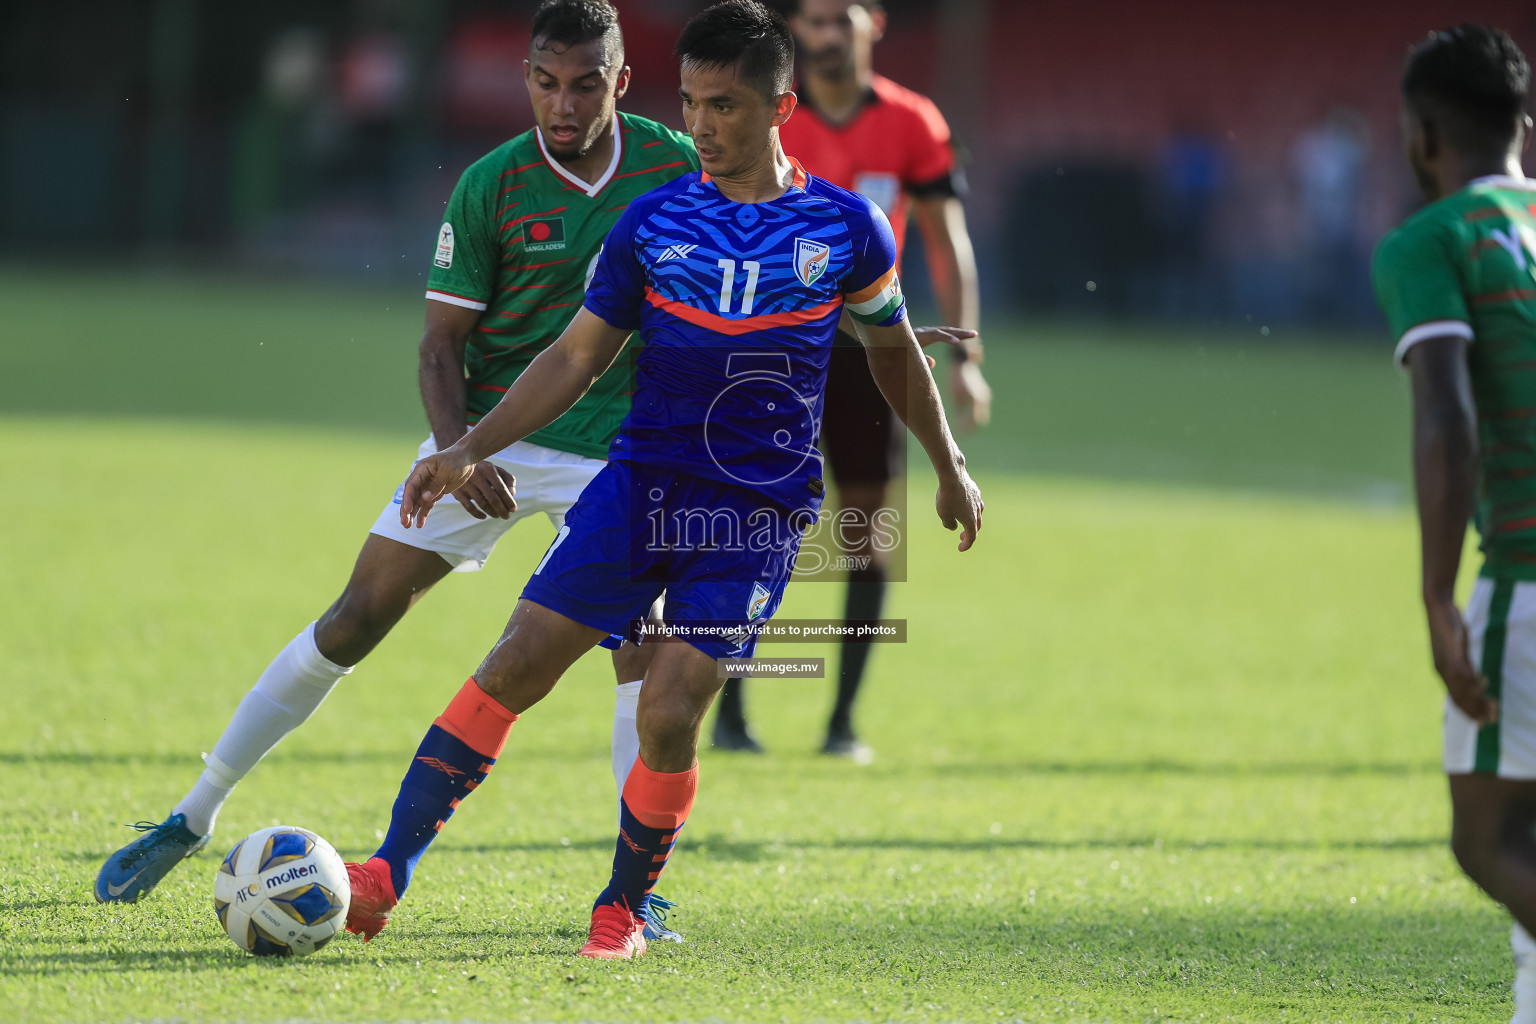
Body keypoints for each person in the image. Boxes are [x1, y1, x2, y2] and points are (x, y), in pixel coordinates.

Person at [338, 0, 984, 959]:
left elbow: (893, 355)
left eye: (724, 105)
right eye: (690, 104)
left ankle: (623, 907)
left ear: (779, 106)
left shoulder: (847, 229)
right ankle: (383, 873)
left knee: (671, 706)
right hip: (642, 485)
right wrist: (467, 443)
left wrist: (948, 464)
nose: (703, 127)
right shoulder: (653, 221)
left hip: (757, 510)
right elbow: (572, 358)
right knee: (515, 663)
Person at [95, 0, 698, 944]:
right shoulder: (491, 185)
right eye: (545, 81)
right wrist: (465, 456)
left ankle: (634, 892)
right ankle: (193, 812)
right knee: (356, 616)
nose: (563, 103)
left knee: (648, 648)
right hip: (487, 432)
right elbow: (437, 348)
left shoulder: (678, 167)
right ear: (527, 79)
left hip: (621, 454)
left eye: (586, 83)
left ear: (620, 81)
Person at [711, 0, 990, 760]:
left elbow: (945, 239)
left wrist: (968, 359)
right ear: (795, 31)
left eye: (843, 19)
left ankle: (842, 723)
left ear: (873, 23)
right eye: (815, 21)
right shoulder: (771, 120)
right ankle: (729, 711)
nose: (828, 35)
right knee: (752, 527)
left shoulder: (914, 121)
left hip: (871, 354)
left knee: (867, 534)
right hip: (771, 353)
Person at [1371, 23, 1536, 1022]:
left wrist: (1437, 595)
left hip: (1525, 569)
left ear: (1422, 133)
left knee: (1487, 840)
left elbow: (1448, 415)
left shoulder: (1431, 240)